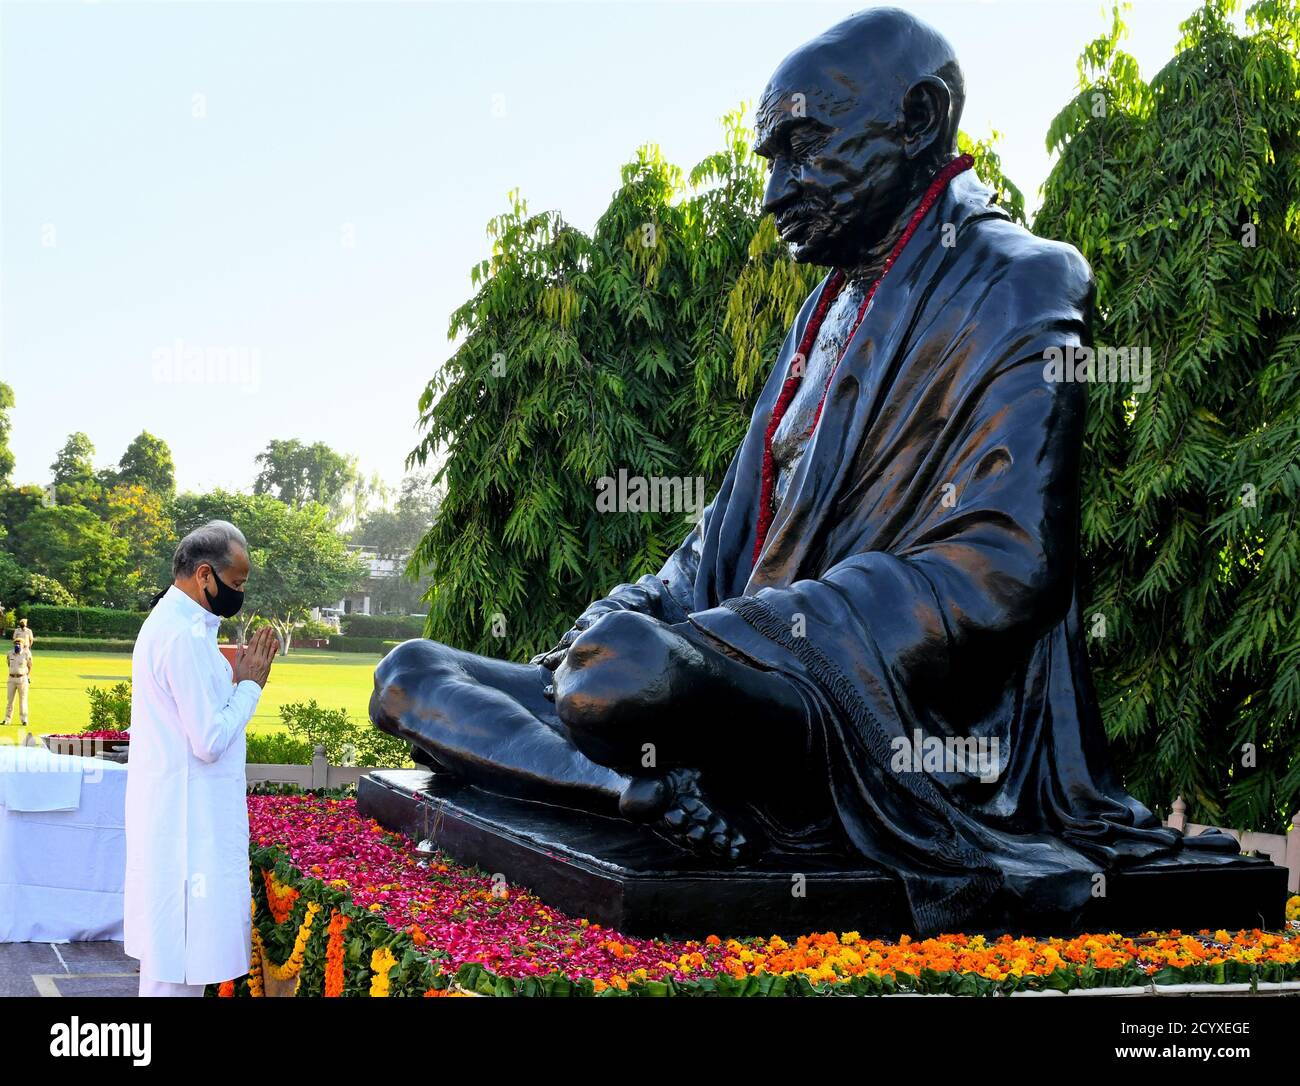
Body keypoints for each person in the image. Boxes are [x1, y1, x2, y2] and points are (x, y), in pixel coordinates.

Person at [124, 520, 279, 996]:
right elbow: (209, 739)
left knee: (172, 961)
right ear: (205, 575)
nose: (240, 594)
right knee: (181, 964)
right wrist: (250, 684)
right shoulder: (184, 636)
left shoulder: (182, 626)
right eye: (236, 584)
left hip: (181, 815)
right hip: (187, 827)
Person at [4, 636, 32, 727]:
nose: (17, 645)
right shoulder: (9, 654)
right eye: (16, 644)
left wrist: (27, 676)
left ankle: (24, 719)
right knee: (10, 700)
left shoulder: (26, 654)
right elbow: (9, 664)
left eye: (19, 644)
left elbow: (30, 666)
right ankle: (7, 719)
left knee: (23, 700)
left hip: (22, 679)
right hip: (11, 679)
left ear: (23, 645)